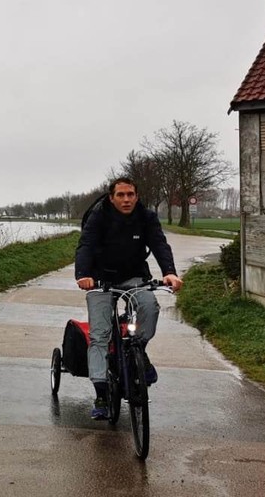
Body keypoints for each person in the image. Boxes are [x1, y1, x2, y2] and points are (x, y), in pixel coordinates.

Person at [75, 177, 182, 420]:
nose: (126, 199)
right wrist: (83, 275)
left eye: (130, 194)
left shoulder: (146, 217)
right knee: (99, 335)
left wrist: (169, 272)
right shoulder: (99, 216)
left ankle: (138, 351)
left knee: (149, 307)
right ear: (111, 198)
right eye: (121, 195)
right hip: (100, 279)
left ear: (137, 196)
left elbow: (159, 244)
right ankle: (101, 395)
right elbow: (86, 246)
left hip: (134, 276)